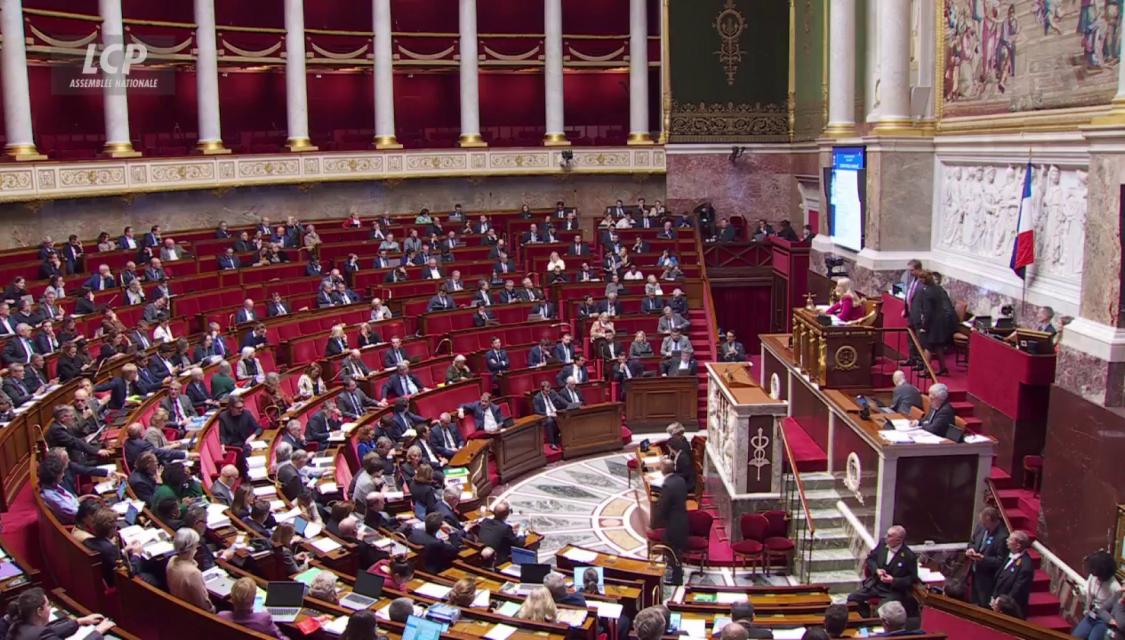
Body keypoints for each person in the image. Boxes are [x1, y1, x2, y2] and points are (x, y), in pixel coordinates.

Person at [846, 525, 918, 618]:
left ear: (899, 540)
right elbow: (870, 559)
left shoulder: (909, 556)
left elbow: (912, 579)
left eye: (889, 536)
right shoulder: (882, 543)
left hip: (892, 591)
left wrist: (893, 580)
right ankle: (865, 617)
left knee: (881, 613)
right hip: (875, 585)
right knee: (852, 598)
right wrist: (877, 570)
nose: (886, 537)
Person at [2, 587, 116, 640]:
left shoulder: (18, 625)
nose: (50, 607)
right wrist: (98, 632)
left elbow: (49, 631)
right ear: (39, 611)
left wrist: (79, 621)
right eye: (48, 605)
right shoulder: (38, 634)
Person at [966, 506, 1010, 608]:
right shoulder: (981, 527)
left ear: (990, 519)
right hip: (974, 573)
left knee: (983, 605)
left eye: (984, 523)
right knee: (973, 602)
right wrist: (971, 549)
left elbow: (1000, 561)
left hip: (987, 579)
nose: (982, 524)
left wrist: (983, 559)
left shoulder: (1002, 536)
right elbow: (972, 541)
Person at [1072, 550, 1120, 639]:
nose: (1096, 578)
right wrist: (1078, 591)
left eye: (1098, 575)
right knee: (1074, 637)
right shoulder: (1093, 577)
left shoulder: (1115, 588)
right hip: (1090, 615)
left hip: (1103, 621)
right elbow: (1086, 592)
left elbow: (1117, 612)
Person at [219, 577, 286, 639]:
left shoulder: (221, 617)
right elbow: (280, 637)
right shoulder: (264, 619)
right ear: (254, 599)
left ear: (232, 597)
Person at [166, 528, 215, 612]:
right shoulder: (193, 573)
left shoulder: (172, 560)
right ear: (192, 547)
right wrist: (213, 610)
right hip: (193, 613)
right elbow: (204, 604)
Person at [917, 271, 956, 375]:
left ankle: (926, 370)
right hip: (941, 322)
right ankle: (943, 369)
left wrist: (924, 326)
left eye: (920, 279)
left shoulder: (927, 292)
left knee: (928, 346)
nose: (919, 281)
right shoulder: (938, 289)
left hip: (932, 324)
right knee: (938, 346)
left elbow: (927, 312)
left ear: (924, 280)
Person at [652, 458, 688, 559]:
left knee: (671, 553)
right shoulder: (681, 480)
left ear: (663, 470)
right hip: (684, 522)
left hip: (673, 526)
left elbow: (663, 507)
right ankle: (677, 571)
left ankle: (675, 573)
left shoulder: (667, 485)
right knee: (678, 553)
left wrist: (654, 523)